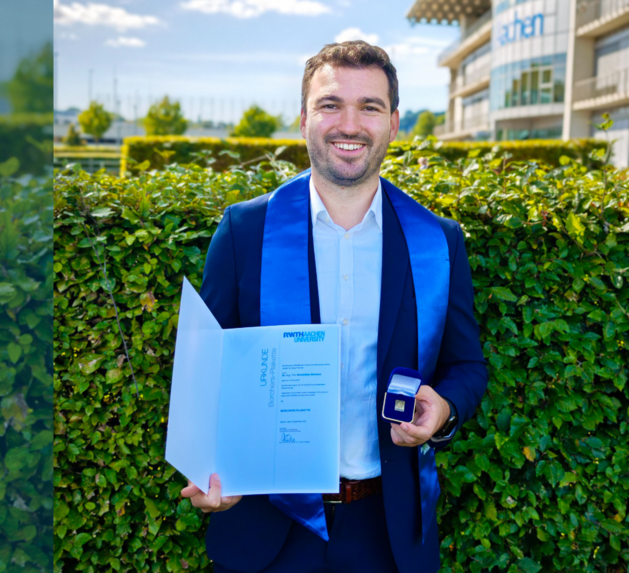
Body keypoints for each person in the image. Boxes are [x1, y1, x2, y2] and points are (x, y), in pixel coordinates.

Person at [180, 40, 488, 573]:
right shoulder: (244, 232)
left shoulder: (437, 242)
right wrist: (208, 467)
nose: (350, 124)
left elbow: (467, 365)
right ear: (303, 119)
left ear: (393, 124)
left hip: (387, 530)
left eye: (369, 107)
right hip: (266, 525)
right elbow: (209, 373)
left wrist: (444, 410)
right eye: (330, 105)